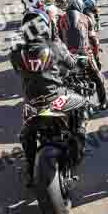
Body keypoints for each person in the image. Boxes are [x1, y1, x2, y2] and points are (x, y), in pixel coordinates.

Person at [9, 10, 79, 186]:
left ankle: (31, 169)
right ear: (47, 27)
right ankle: (77, 148)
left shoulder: (17, 51)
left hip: (32, 104)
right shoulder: (55, 46)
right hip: (57, 99)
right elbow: (71, 64)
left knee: (27, 135)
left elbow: (17, 69)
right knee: (82, 105)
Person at [58, 0, 108, 108]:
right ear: (80, 5)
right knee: (98, 77)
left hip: (68, 57)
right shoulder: (86, 18)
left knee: (58, 79)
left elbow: (58, 41)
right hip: (84, 55)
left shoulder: (61, 19)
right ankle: (103, 102)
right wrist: (96, 57)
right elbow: (94, 41)